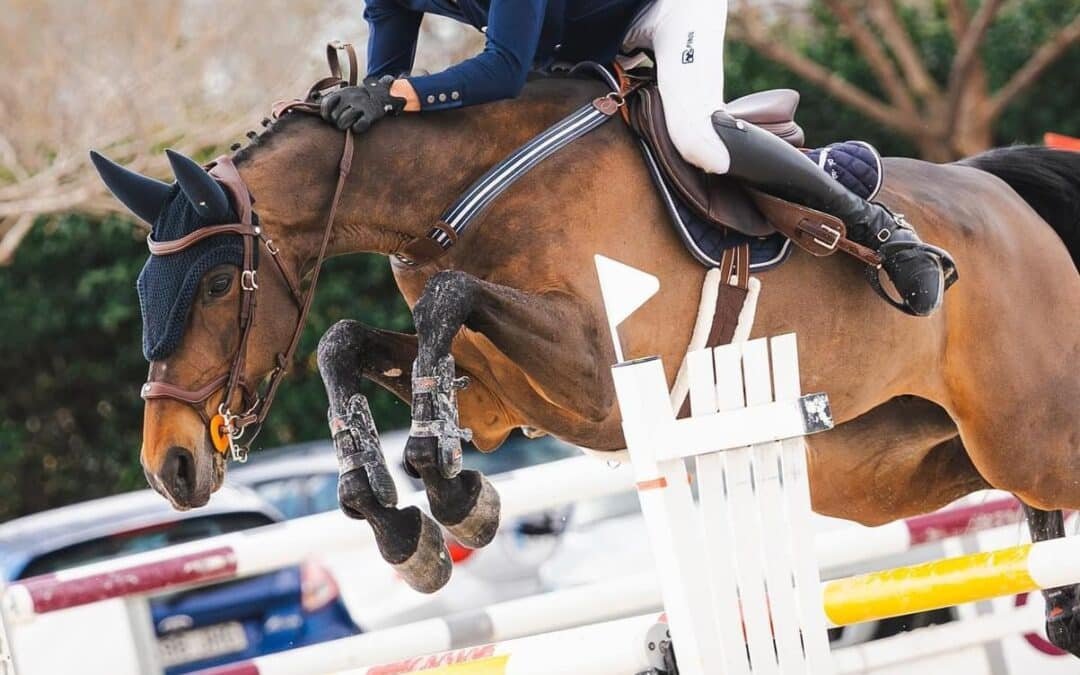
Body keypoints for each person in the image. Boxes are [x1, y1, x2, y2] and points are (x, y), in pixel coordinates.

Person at [322, 0, 952, 316]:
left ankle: (881, 228)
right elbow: (387, 90)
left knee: (698, 137)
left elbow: (504, 71)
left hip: (660, 9)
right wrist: (364, 103)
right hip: (571, 33)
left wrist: (402, 95)